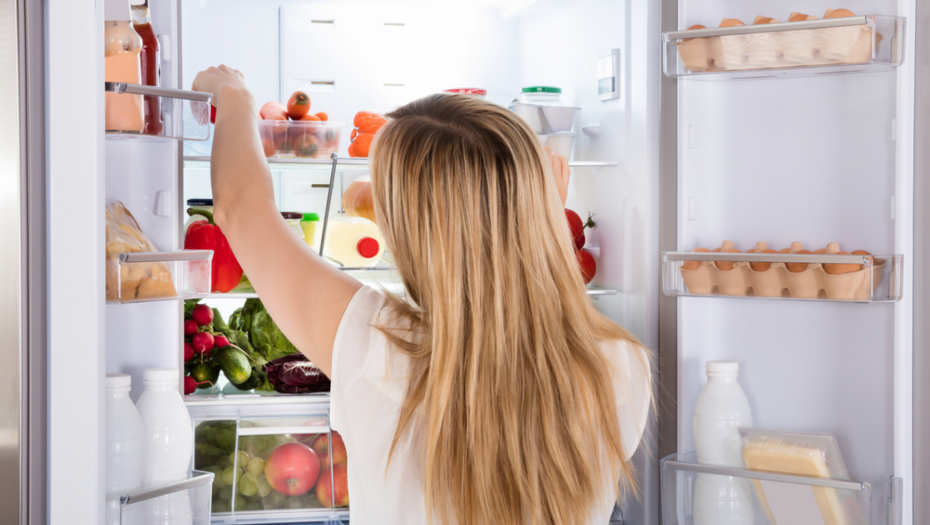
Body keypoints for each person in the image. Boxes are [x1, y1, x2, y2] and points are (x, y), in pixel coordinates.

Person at [193, 65, 652, 525]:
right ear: (540, 206)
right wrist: (538, 222)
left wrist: (235, 95)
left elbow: (242, 208)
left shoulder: (377, 345)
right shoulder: (621, 364)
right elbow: (537, 313)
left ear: (406, 233)